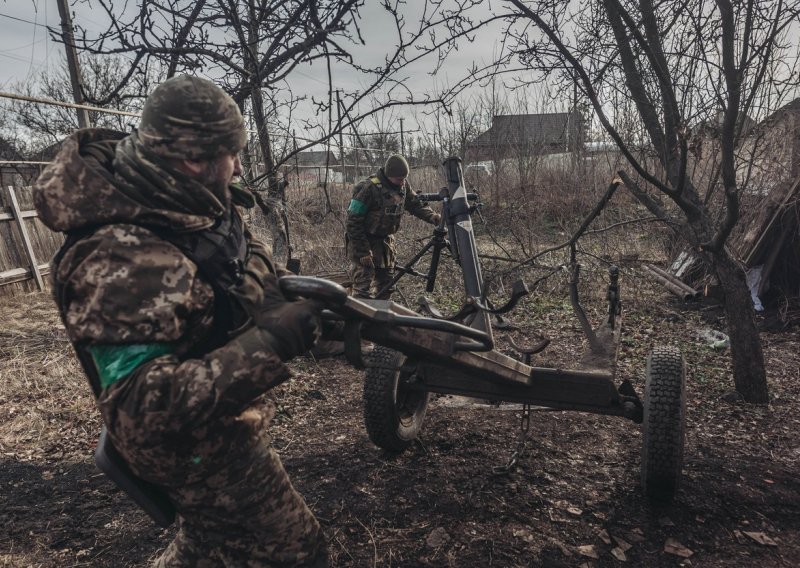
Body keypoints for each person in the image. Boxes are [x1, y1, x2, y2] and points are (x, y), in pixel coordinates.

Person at [33, 75, 327, 567]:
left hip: (219, 421)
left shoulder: (185, 199)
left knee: (211, 545)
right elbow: (143, 410)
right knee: (295, 553)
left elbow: (233, 258)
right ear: (193, 159)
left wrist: (278, 295)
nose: (236, 168)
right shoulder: (117, 260)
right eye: (230, 155)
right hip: (189, 449)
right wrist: (272, 343)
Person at [345, 154, 441, 299]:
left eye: (404, 179)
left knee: (387, 287)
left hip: (386, 245)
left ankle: (381, 318)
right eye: (399, 179)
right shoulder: (367, 188)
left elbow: (414, 204)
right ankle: (358, 320)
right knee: (362, 289)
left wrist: (432, 216)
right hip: (365, 242)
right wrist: (362, 251)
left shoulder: (403, 185)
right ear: (389, 175)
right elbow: (353, 222)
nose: (402, 183)